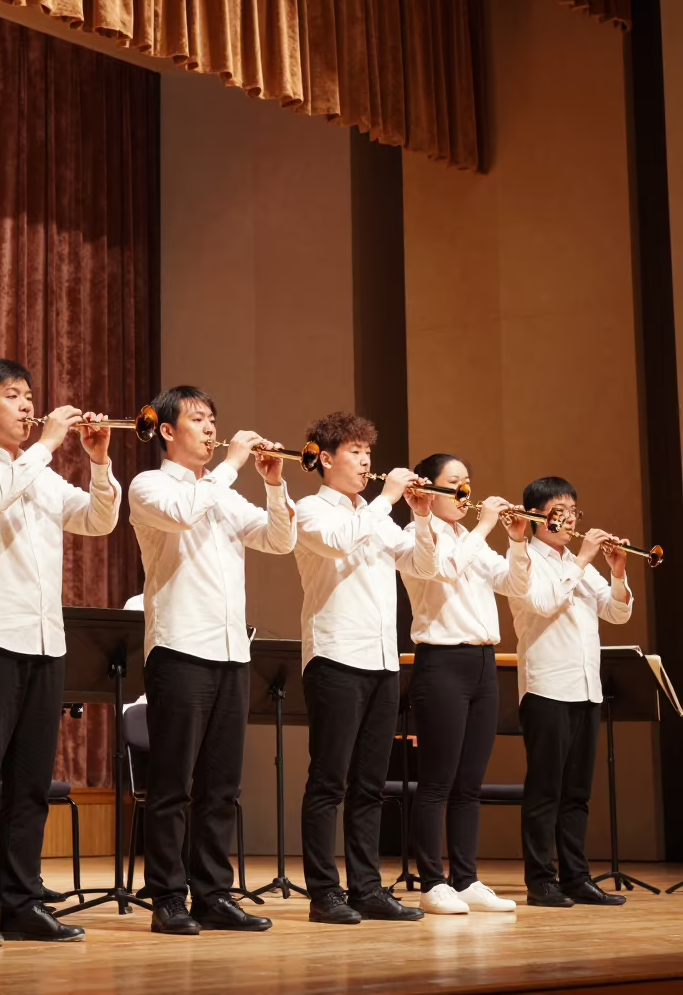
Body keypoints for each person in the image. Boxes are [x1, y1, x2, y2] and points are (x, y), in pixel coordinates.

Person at [0, 358, 120, 947]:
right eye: (13, 396)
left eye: (29, 396)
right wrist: (45, 445)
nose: (25, 406)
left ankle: (21, 901)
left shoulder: (38, 474)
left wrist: (98, 460)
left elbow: (98, 520)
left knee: (29, 783)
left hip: (46, 641)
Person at [129, 385, 295, 936]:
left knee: (221, 785)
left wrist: (273, 485)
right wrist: (230, 466)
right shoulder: (149, 485)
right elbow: (180, 514)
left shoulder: (221, 491)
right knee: (173, 785)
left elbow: (277, 540)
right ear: (168, 431)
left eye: (212, 419)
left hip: (230, 651)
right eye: (197, 419)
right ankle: (167, 898)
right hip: (179, 648)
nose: (208, 427)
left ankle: (213, 894)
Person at [295, 412, 435, 926]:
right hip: (335, 656)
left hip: (381, 660)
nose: (366, 461)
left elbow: (421, 567)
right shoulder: (310, 509)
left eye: (367, 453)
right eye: (355, 452)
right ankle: (323, 893)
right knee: (329, 779)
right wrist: (388, 500)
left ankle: (367, 887)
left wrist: (420, 518)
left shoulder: (378, 515)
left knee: (371, 784)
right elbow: (338, 543)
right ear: (326, 458)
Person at [399, 453, 528, 914]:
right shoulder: (420, 537)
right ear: (428, 490)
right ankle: (433, 881)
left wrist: (515, 542)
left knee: (470, 782)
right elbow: (445, 568)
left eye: (467, 483)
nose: (465, 493)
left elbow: (515, 585)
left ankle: (467, 878)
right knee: (437, 781)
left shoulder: (470, 540)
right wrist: (485, 527)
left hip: (482, 664)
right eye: (454, 484)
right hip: (441, 664)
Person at [508, 477, 632, 908]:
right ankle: (541, 880)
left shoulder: (580, 565)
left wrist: (616, 572)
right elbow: (542, 603)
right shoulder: (524, 559)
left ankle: (577, 877)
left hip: (585, 688)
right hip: (547, 687)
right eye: (559, 511)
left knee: (578, 791)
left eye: (573, 511)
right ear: (537, 516)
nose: (568, 519)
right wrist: (579, 560)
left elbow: (616, 613)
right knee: (546, 789)